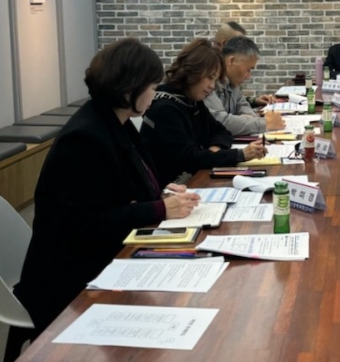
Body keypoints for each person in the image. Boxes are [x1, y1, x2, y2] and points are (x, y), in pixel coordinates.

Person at [13, 38, 201, 338]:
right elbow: (87, 223)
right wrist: (159, 208)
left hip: (102, 256)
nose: (155, 94)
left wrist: (162, 193)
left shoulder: (116, 122)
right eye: (152, 86)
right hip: (70, 278)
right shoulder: (84, 138)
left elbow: (124, 188)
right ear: (129, 89)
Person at [140, 38, 267, 186]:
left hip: (193, 179)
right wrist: (240, 155)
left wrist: (214, 150)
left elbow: (222, 131)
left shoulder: (193, 101)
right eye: (210, 78)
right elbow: (190, 159)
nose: (212, 86)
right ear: (193, 72)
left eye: (215, 80)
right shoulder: (166, 109)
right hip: (172, 188)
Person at [205, 36, 285, 136]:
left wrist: (248, 120)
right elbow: (221, 122)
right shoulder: (209, 82)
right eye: (248, 69)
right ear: (231, 61)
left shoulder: (233, 83)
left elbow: (243, 105)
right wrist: (265, 124)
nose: (248, 76)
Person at [213, 21, 275, 106]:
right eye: (237, 42)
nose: (242, 47)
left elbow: (236, 100)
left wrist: (254, 101)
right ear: (224, 43)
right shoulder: (209, 71)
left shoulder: (229, 71)